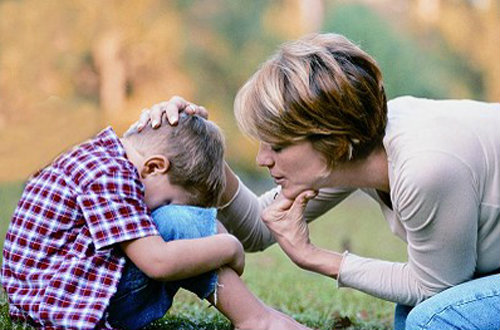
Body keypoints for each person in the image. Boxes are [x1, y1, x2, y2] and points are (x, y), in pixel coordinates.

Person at [136, 33, 500, 330]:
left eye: (277, 145)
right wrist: (189, 148)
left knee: (432, 320)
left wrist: (316, 257)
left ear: (334, 142)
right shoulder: (356, 148)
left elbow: (433, 287)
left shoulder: (425, 168)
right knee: (415, 318)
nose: (263, 158)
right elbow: (259, 229)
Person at [1, 113, 311, 330]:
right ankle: (254, 319)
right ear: (154, 167)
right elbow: (158, 262)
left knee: (179, 224)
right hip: (68, 305)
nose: (154, 211)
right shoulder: (110, 176)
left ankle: (256, 315)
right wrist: (230, 246)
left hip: (55, 294)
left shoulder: (101, 156)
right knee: (177, 221)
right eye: (163, 199)